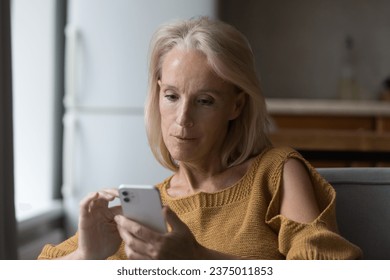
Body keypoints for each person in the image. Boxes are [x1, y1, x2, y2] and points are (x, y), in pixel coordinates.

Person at [38, 17, 362, 260]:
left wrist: (198, 258)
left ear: (236, 105)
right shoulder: (143, 209)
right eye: (171, 96)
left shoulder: (277, 172)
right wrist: (85, 257)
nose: (182, 120)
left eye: (205, 101)